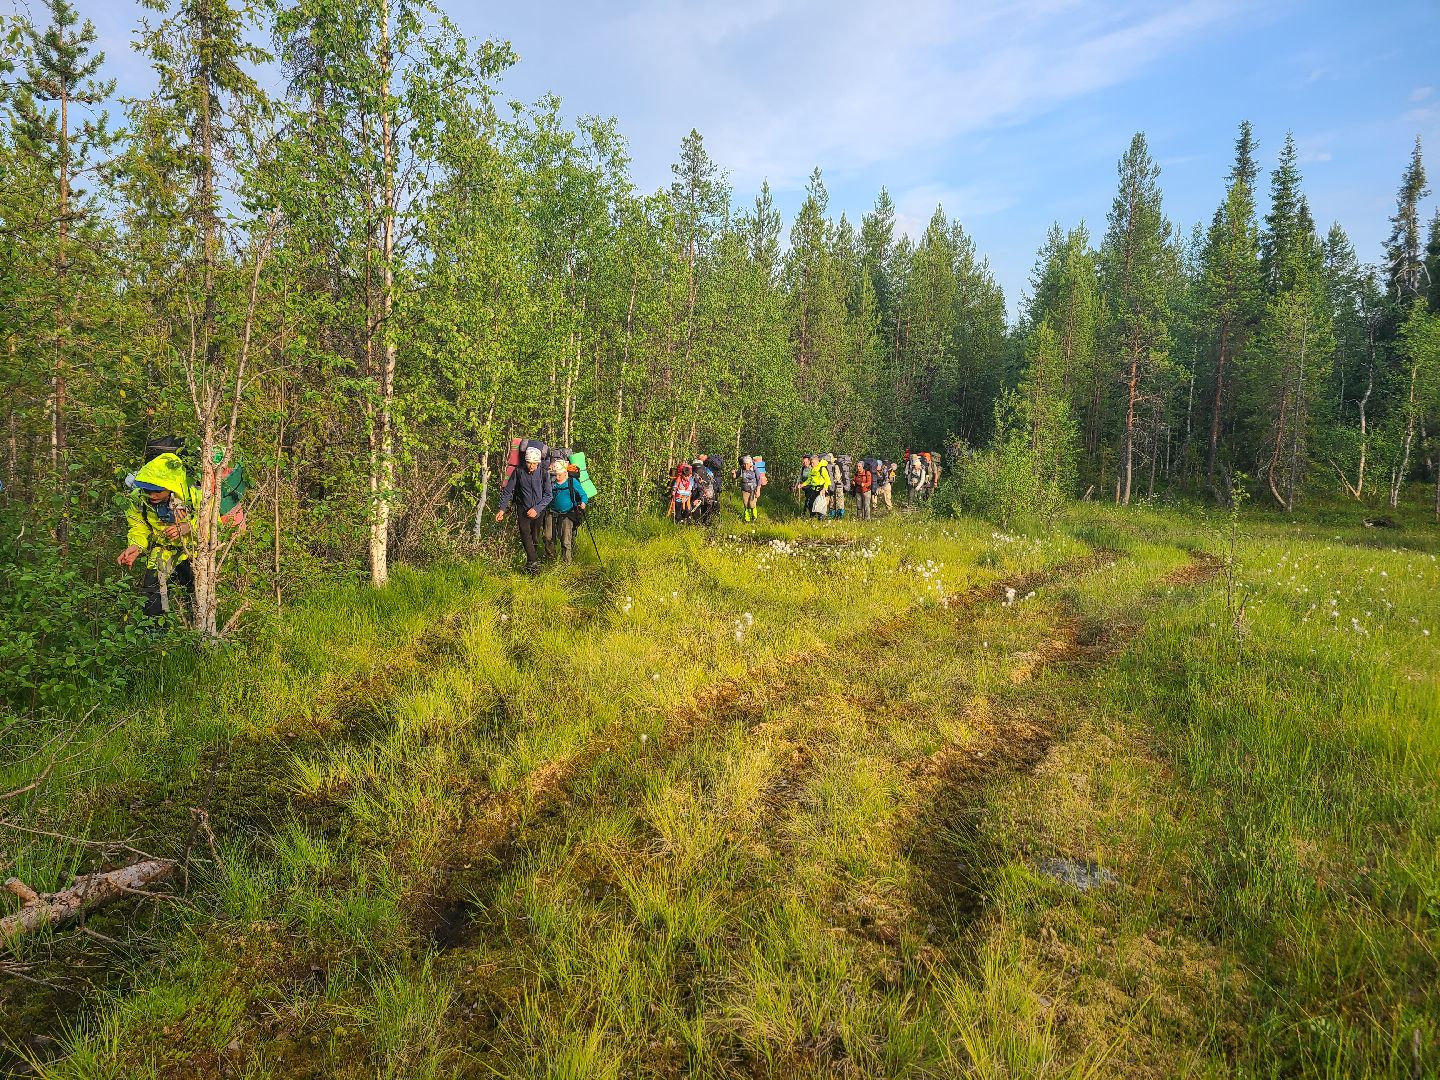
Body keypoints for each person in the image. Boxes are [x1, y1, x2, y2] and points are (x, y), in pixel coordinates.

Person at [119, 451, 200, 620]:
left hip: (194, 554)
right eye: (147, 490)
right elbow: (138, 526)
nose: (151, 495)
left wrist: (189, 527)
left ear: (171, 486)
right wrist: (136, 546)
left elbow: (215, 523)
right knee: (152, 601)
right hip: (162, 553)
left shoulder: (194, 495)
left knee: (195, 600)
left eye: (157, 491)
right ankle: (155, 638)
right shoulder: (138, 498)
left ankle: (195, 639)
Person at [496, 444, 553, 573]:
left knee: (534, 538)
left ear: (538, 462)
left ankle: (530, 564)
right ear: (525, 461)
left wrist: (537, 509)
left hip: (538, 509)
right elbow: (508, 491)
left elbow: (549, 495)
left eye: (534, 463)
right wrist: (502, 509)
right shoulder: (518, 472)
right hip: (522, 507)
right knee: (524, 533)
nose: (531, 466)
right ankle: (533, 563)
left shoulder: (544, 473)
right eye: (529, 463)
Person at [544, 459, 588, 564]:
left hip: (567, 513)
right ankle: (551, 559)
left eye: (559, 475)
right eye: (555, 475)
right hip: (551, 512)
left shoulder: (572, 482)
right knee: (547, 537)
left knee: (565, 540)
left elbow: (583, 494)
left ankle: (566, 563)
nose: (556, 477)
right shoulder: (551, 482)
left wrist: (583, 503)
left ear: (565, 473)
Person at [735, 455, 762, 522]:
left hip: (753, 489)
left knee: (752, 504)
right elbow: (736, 476)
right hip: (745, 490)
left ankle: (754, 518)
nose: (744, 466)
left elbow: (759, 479)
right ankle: (747, 519)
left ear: (749, 463)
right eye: (744, 464)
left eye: (746, 464)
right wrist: (733, 474)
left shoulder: (754, 468)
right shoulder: (741, 468)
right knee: (746, 505)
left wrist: (758, 490)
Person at [805, 453, 831, 519]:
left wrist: (824, 489)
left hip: (821, 490)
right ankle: (812, 517)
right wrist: (802, 485)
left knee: (820, 506)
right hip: (814, 490)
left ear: (817, 461)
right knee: (810, 504)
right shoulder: (812, 470)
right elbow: (809, 480)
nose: (812, 464)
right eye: (811, 463)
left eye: (813, 463)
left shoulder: (822, 469)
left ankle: (821, 520)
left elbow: (828, 480)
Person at [826, 453, 845, 519]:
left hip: (835, 486)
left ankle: (834, 516)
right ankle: (838, 516)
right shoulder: (834, 466)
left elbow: (837, 477)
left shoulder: (835, 466)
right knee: (838, 501)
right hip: (837, 486)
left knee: (834, 501)